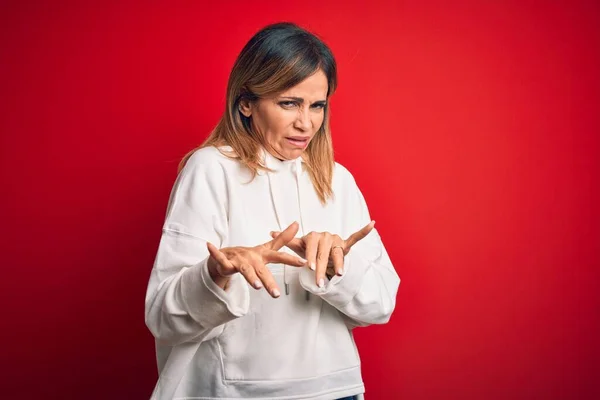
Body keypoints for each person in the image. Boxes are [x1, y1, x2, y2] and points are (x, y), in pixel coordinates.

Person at [144, 22, 400, 400]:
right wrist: (214, 274)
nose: (306, 122)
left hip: (334, 390)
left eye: (317, 105)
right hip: (232, 393)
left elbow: (381, 305)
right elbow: (163, 318)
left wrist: (336, 268)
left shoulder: (337, 180)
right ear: (246, 102)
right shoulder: (211, 169)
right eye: (289, 103)